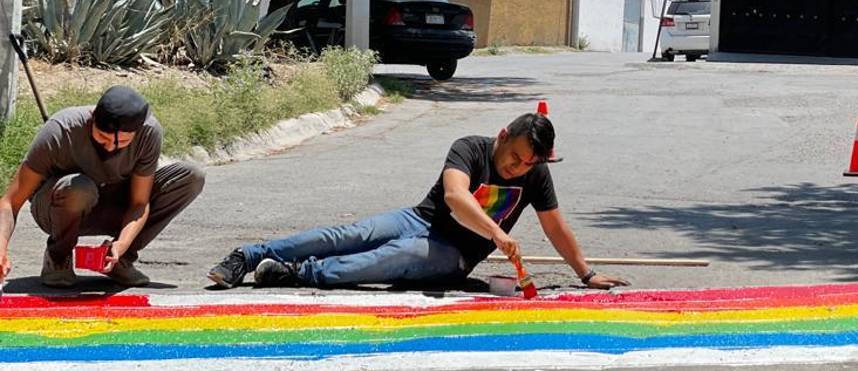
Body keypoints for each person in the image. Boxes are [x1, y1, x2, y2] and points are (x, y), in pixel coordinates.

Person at [208, 113, 627, 290]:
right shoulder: (470, 147)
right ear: (501, 137)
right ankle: (247, 256)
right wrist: (498, 232)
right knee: (350, 234)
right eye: (516, 158)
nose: (520, 168)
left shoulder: (536, 173)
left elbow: (555, 226)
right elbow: (455, 196)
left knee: (389, 258)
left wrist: (586, 274)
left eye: (529, 164)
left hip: (454, 254)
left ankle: (294, 274)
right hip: (420, 219)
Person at [0, 86, 205, 288]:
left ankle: (118, 260)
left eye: (122, 142)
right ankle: (58, 258)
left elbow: (140, 202)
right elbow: (10, 202)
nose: (110, 147)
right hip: (58, 207)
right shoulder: (61, 130)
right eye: (102, 138)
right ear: (92, 117)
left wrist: (122, 245)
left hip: (112, 205)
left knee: (191, 176)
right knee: (79, 187)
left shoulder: (149, 134)